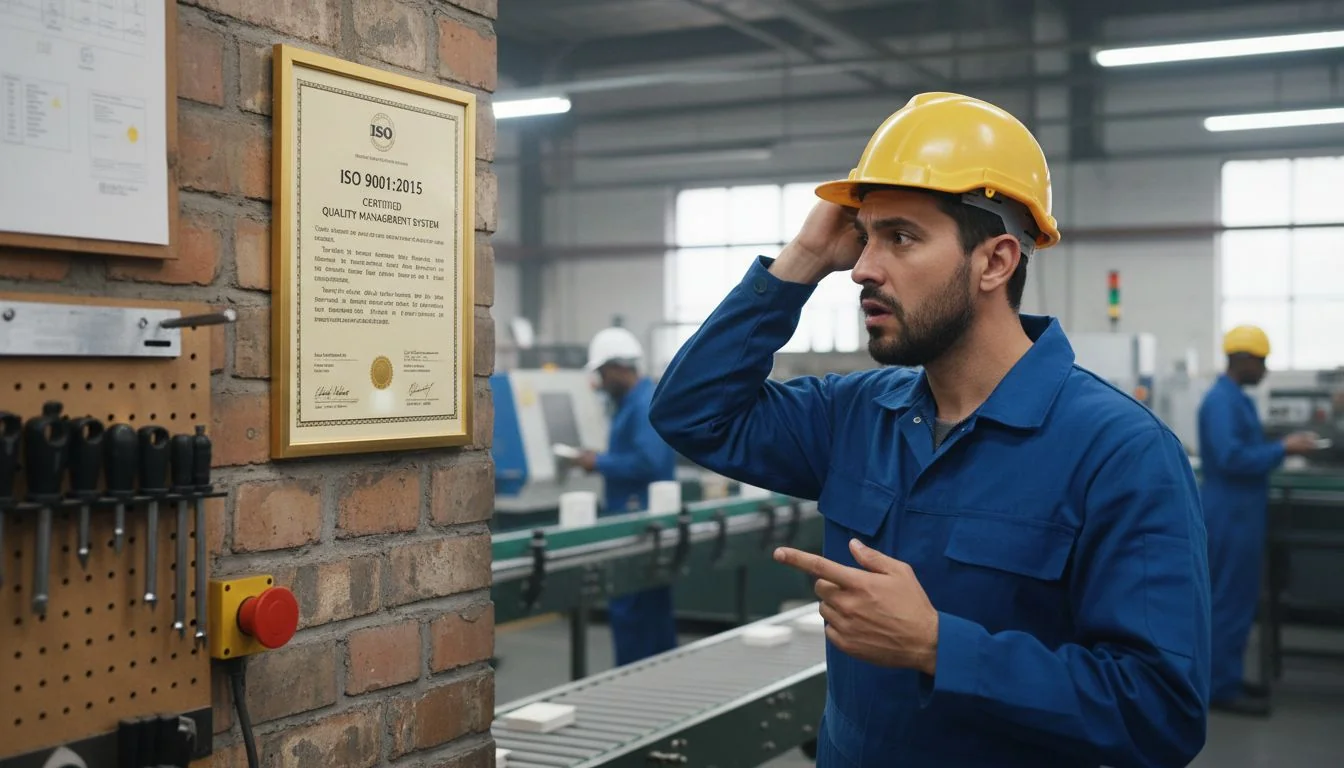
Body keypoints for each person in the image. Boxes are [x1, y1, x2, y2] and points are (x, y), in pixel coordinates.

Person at [648, 92, 1210, 767]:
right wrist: (800, 258)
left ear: (996, 262)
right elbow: (693, 412)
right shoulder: (855, 414)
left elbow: (1159, 712)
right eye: (864, 235)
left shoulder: (1119, 452)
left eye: (902, 238)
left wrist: (939, 647)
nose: (860, 268)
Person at [1198, 325, 1320, 715]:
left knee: (1240, 601)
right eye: (1263, 362)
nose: (1265, 370)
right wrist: (1283, 447)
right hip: (1229, 515)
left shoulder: (1238, 399)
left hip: (1244, 514)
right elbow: (1232, 458)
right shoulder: (1221, 401)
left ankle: (1228, 678)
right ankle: (1217, 688)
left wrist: (1278, 445)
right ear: (1245, 360)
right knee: (1226, 603)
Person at [575, 325, 680, 666]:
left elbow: (648, 462)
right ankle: (656, 679)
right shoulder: (634, 402)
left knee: (633, 610)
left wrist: (598, 461)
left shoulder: (644, 403)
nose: (601, 382)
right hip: (638, 519)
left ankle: (636, 682)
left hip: (638, 524)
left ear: (620, 368)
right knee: (649, 611)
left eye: (604, 374)